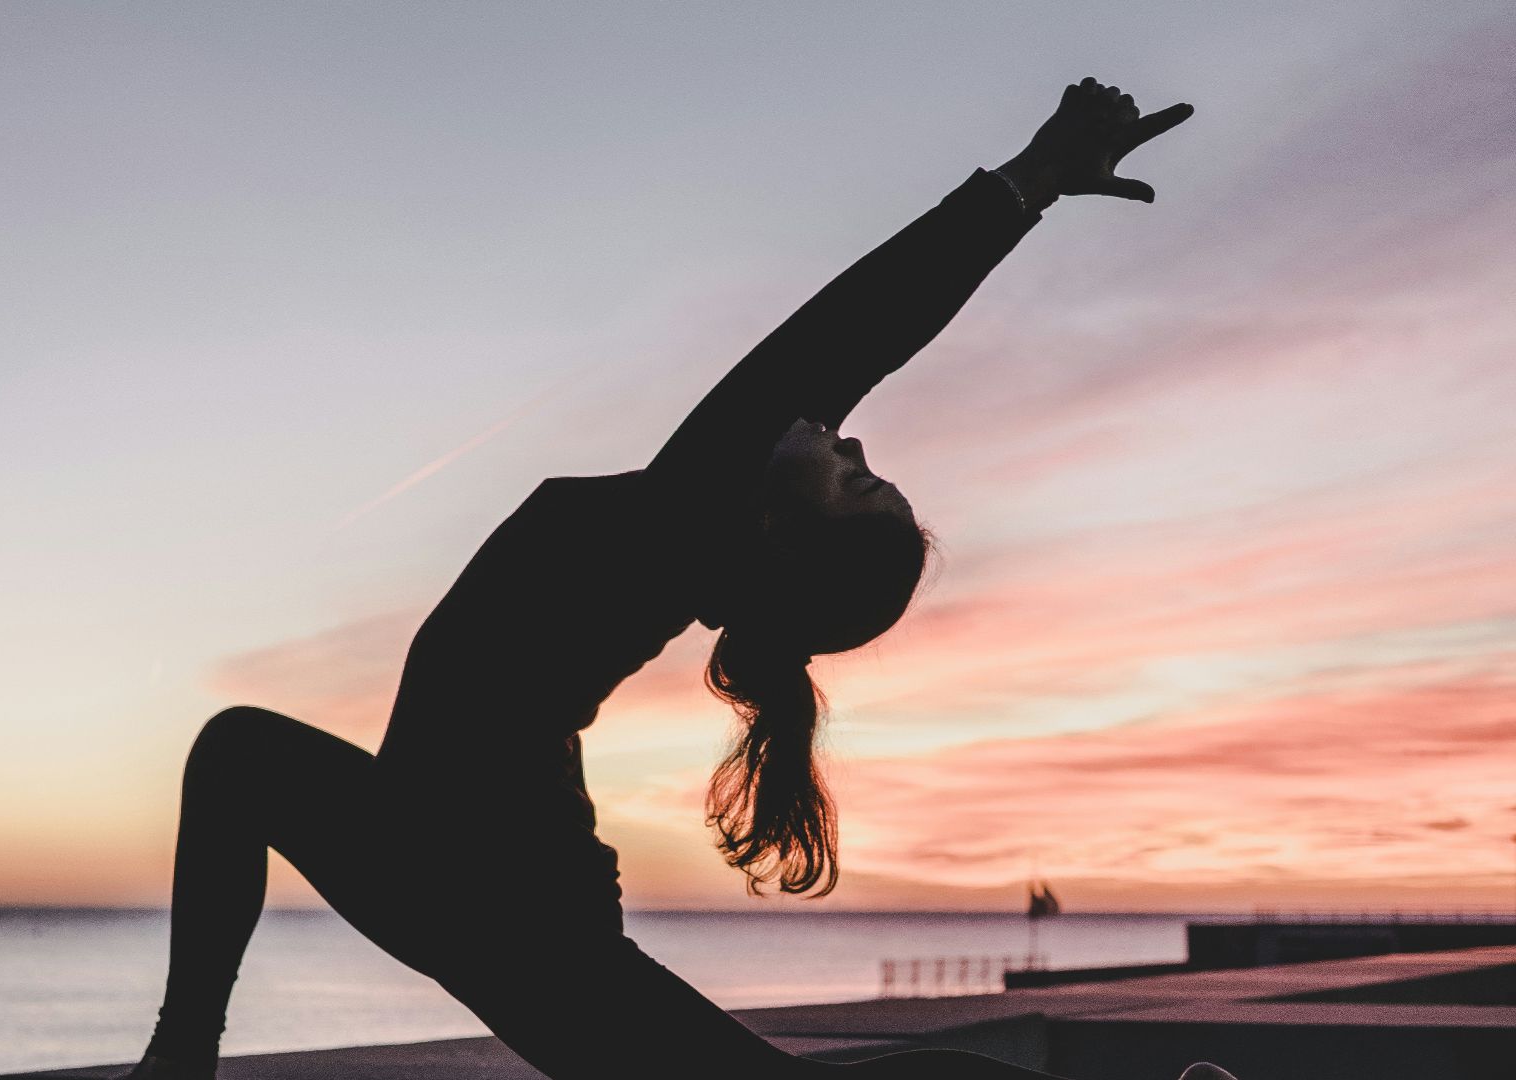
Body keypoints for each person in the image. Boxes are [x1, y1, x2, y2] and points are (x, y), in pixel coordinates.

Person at [129, 78, 1209, 1079]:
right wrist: (1027, 187)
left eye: (858, 481)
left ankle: (179, 1063)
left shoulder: (685, 516)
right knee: (239, 756)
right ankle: (179, 1061)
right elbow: (839, 356)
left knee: (239, 756)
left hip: (494, 898)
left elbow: (852, 331)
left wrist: (1026, 183)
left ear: (782, 535)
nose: (857, 448)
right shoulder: (690, 530)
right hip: (456, 867)